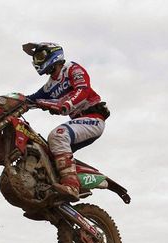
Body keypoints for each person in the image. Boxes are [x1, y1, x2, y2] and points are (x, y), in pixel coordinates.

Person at [23, 42, 110, 202]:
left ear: (54, 53)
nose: (38, 61)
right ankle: (47, 187)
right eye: (35, 59)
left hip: (93, 119)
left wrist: (66, 104)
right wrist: (10, 99)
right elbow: (31, 99)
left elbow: (82, 89)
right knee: (44, 151)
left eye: (40, 56)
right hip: (79, 123)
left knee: (57, 135)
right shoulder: (50, 85)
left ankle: (72, 185)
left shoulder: (72, 68)